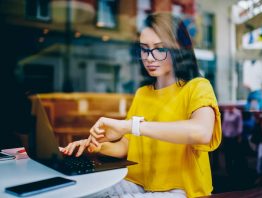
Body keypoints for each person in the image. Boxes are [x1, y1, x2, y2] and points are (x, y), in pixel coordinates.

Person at [60, 12, 222, 198]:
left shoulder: (198, 86)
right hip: (138, 182)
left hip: (182, 189)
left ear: (178, 49)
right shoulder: (143, 93)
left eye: (160, 49)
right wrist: (96, 146)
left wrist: (130, 126)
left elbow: (201, 132)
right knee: (76, 192)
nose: (149, 58)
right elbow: (127, 146)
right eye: (144, 49)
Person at [221, 105, 243, 178]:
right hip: (226, 137)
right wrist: (222, 134)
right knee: (227, 155)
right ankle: (229, 171)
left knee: (234, 154)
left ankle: (235, 171)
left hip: (234, 137)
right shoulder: (226, 112)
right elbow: (224, 124)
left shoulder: (237, 113)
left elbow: (240, 125)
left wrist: (239, 136)